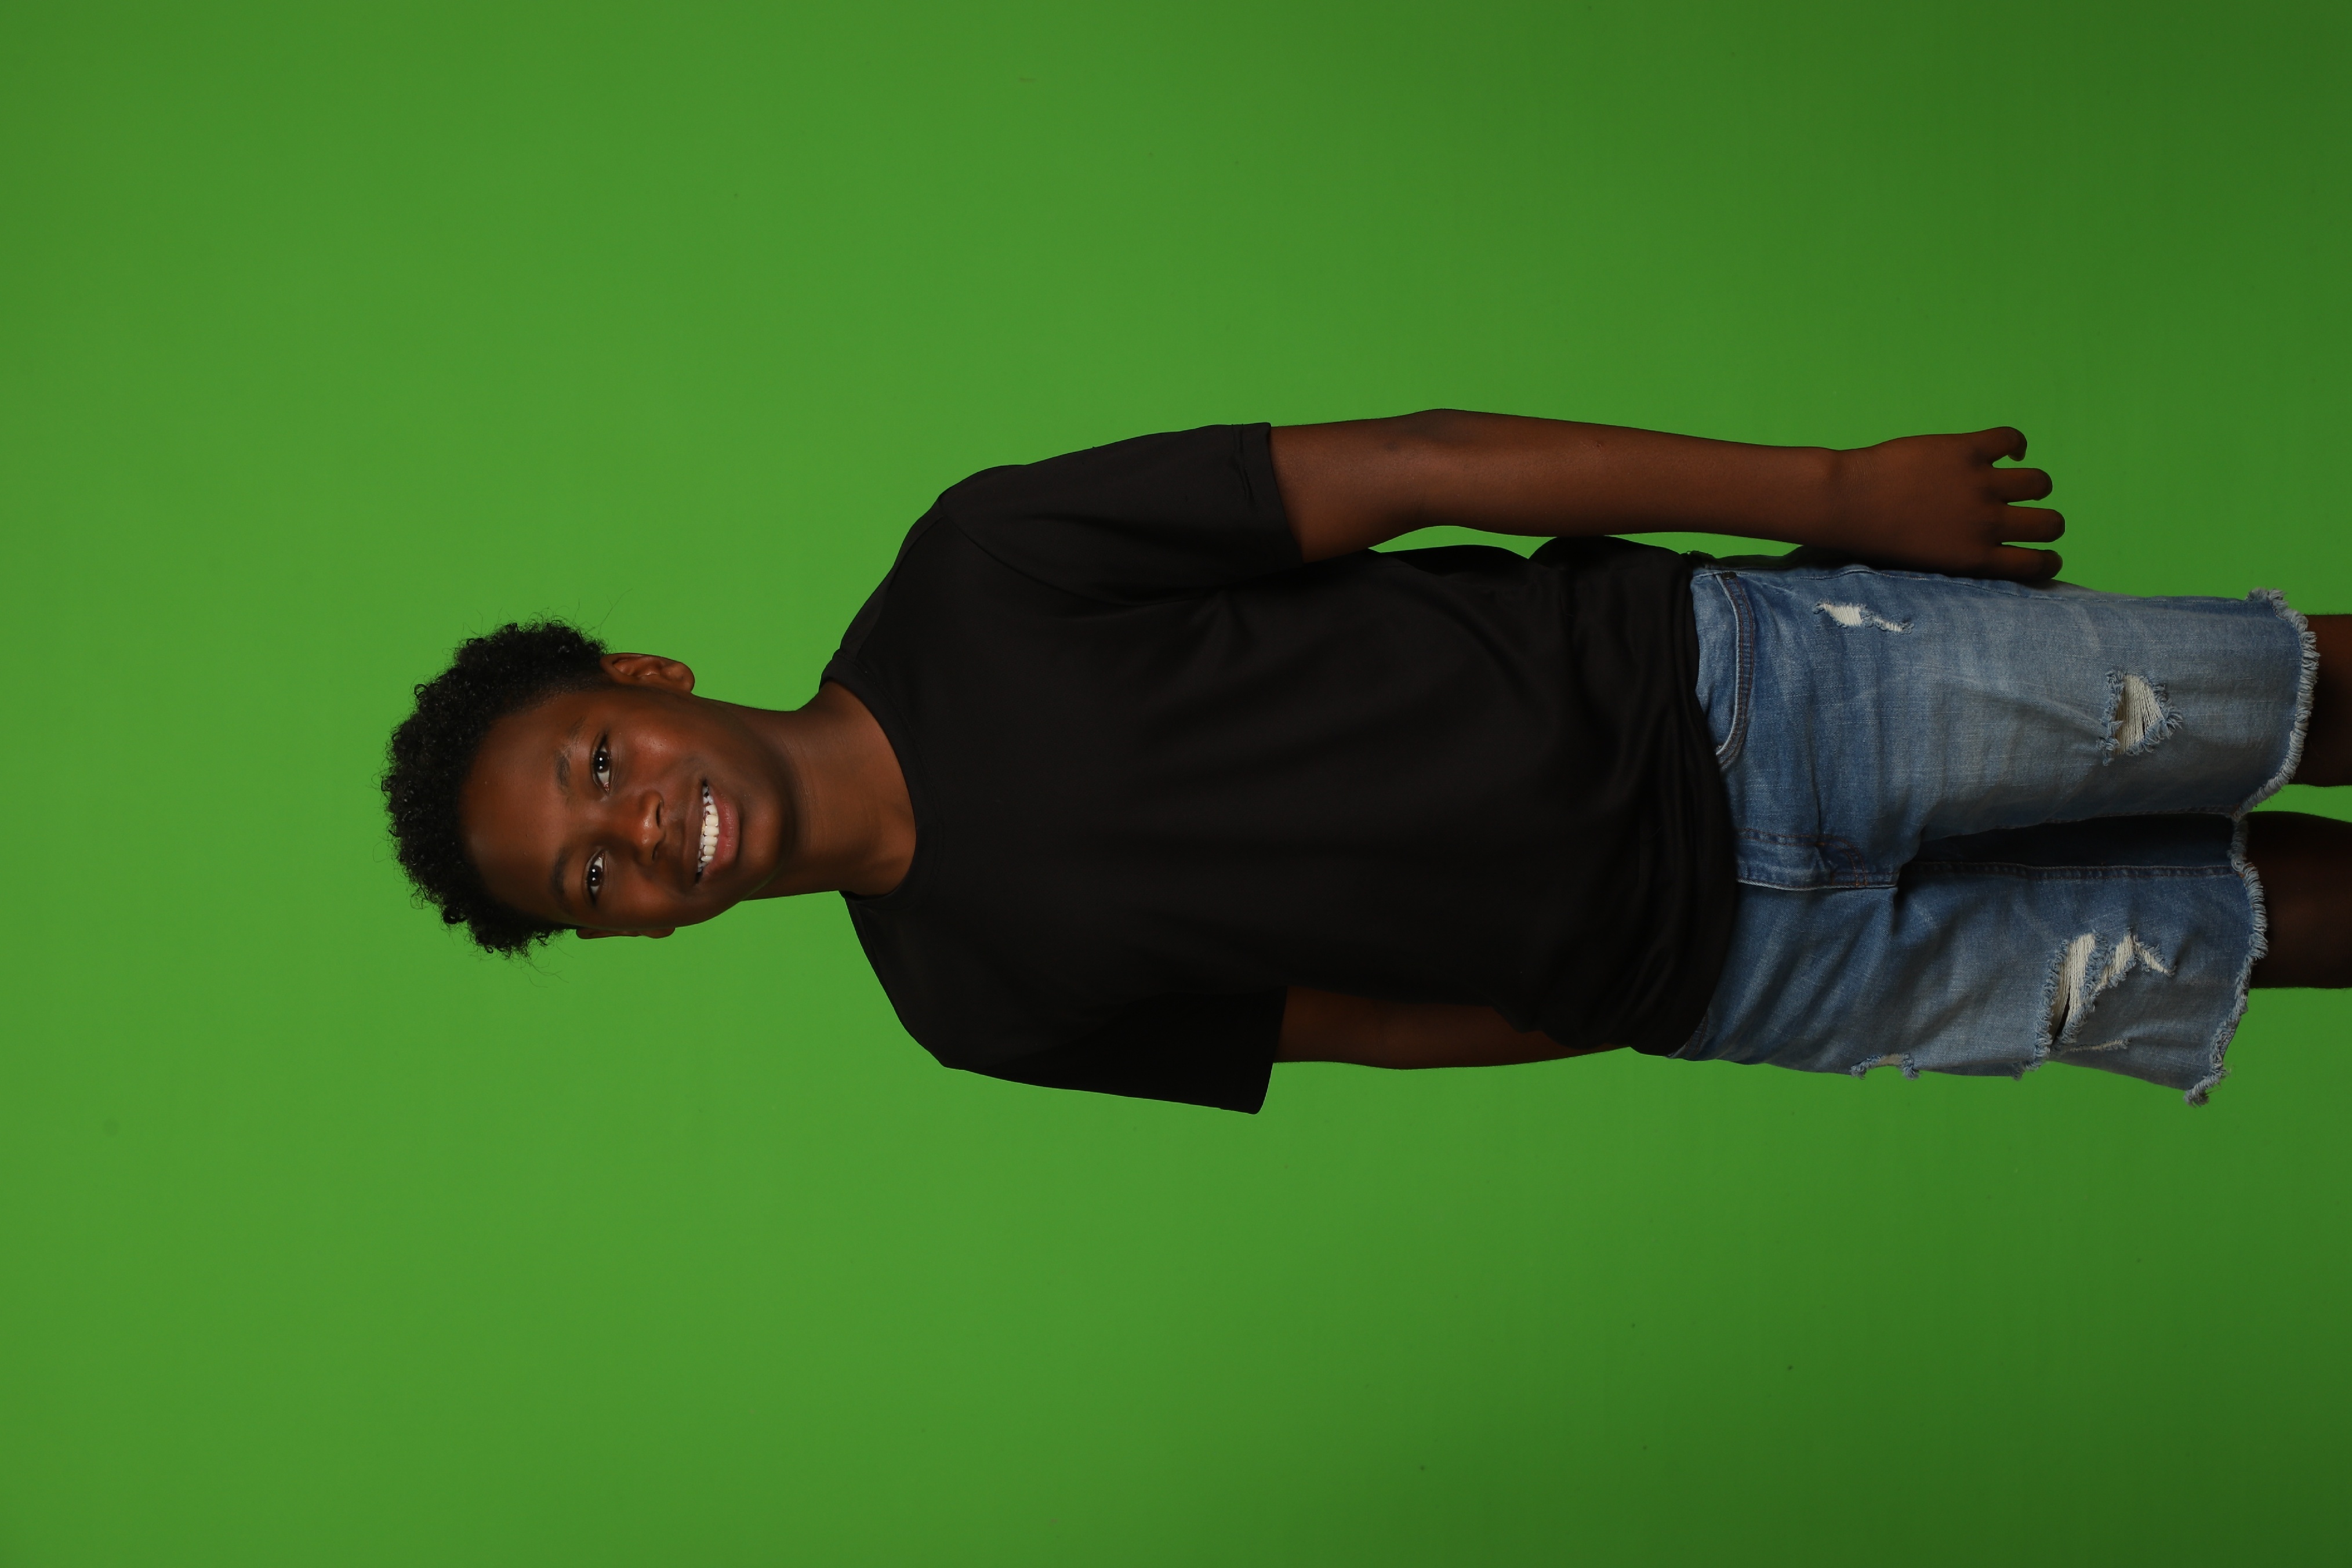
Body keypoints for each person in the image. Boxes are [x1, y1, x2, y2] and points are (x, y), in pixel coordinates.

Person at [382, 413, 2349, 1112]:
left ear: (648, 677)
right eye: (590, 877)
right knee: (2247, 930)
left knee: (2270, 696)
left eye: (599, 762)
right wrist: (1659, 997)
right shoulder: (967, 1009)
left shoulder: (978, 569)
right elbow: (1364, 1031)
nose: (639, 832)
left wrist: (1830, 494)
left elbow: (1414, 469)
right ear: (628, 935)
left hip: (1747, 693)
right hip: (1754, 976)